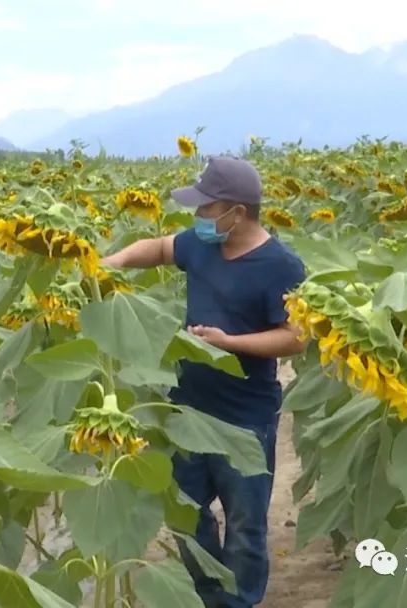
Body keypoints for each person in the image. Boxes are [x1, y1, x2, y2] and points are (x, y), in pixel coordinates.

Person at [100, 156, 306, 608]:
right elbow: (156, 248)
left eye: (206, 208)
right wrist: (109, 264)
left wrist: (229, 342)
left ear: (236, 210)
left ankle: (240, 601)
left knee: (246, 524)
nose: (198, 217)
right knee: (185, 514)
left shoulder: (280, 266)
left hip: (245, 415)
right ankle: (210, 594)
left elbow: (295, 336)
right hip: (187, 408)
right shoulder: (200, 244)